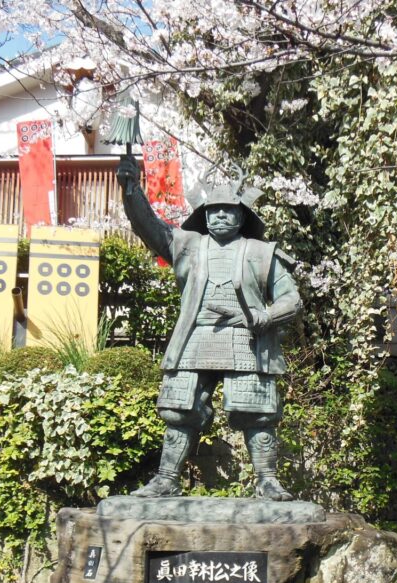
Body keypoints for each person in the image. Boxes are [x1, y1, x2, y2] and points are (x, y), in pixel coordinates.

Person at [116, 155, 301, 501]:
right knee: (179, 409)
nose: (220, 215)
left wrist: (265, 316)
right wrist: (131, 189)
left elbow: (291, 299)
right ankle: (167, 478)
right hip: (195, 338)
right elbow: (149, 226)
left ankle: (267, 480)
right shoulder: (187, 246)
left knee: (256, 412)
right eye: (213, 210)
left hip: (246, 339)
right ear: (204, 215)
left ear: (241, 215)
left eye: (228, 210)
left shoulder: (262, 252)